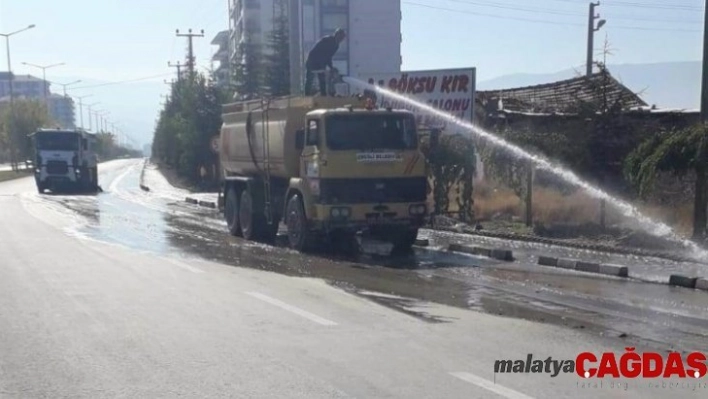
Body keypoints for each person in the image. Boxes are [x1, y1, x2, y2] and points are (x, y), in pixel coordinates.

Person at [304, 28, 346, 96]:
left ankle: (323, 95)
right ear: (337, 35)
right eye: (341, 37)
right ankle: (306, 95)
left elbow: (329, 57)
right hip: (312, 60)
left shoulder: (336, 46)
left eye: (342, 38)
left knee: (322, 79)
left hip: (321, 62)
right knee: (310, 79)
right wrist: (322, 65)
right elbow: (320, 53)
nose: (341, 40)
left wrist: (331, 67)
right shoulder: (327, 40)